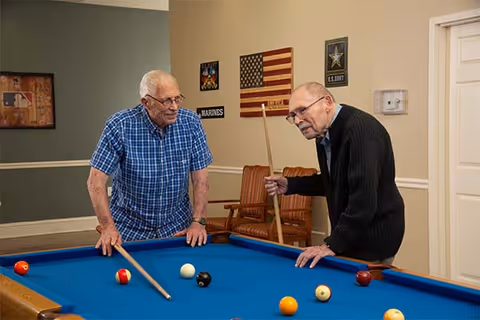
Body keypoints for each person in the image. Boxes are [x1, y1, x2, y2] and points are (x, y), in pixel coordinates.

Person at [264, 82, 405, 268]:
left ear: (327, 102)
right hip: (352, 236)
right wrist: (290, 184)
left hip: (374, 238)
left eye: (302, 110)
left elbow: (362, 200)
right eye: (292, 116)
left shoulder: (361, 131)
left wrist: (331, 244)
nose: (297, 120)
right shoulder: (323, 134)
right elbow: (334, 181)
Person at [87, 70, 213, 256]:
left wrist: (198, 222)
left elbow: (200, 178)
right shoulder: (120, 125)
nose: (174, 106)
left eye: (177, 99)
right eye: (167, 101)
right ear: (146, 102)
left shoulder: (191, 123)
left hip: (177, 229)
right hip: (128, 232)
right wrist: (107, 227)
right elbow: (95, 181)